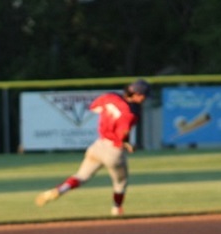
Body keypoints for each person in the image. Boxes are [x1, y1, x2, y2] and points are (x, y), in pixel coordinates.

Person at [35, 79, 151, 216]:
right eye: (143, 95)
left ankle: (59, 190)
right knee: (120, 183)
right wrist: (128, 144)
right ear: (136, 94)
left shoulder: (110, 97)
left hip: (98, 146)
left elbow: (94, 107)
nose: (144, 98)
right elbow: (122, 134)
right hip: (114, 151)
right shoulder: (130, 113)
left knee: (81, 176)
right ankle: (116, 209)